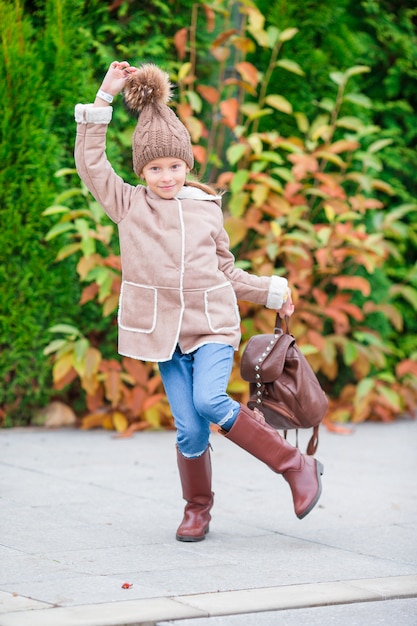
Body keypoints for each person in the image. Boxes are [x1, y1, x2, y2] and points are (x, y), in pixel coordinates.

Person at [74, 60, 323, 542]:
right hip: (165, 336)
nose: (166, 177)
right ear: (141, 170)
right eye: (154, 168)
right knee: (189, 431)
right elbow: (92, 164)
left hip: (211, 327)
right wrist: (104, 98)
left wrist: (274, 291)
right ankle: (197, 509)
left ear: (187, 165)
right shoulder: (128, 204)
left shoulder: (207, 209)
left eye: (174, 166)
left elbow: (226, 271)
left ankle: (296, 466)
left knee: (210, 400)